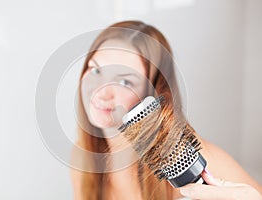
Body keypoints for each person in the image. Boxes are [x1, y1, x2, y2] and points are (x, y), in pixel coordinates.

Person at [71, 20, 262, 200]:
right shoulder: (84, 156)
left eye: (124, 81)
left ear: (152, 94)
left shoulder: (190, 161)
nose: (101, 92)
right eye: (96, 70)